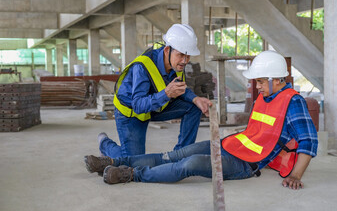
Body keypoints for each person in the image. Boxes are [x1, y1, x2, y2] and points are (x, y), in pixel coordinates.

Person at [85, 50, 318, 190]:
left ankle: (131, 174)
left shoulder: (293, 101)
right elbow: (255, 132)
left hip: (247, 165)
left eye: (259, 81)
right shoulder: (266, 95)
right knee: (176, 154)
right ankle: (113, 162)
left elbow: (308, 141)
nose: (256, 86)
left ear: (276, 79)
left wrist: (296, 175)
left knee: (190, 164)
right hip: (231, 146)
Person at [99, 24, 212, 158]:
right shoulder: (142, 67)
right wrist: (166, 94)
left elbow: (180, 88)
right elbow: (138, 105)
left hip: (155, 107)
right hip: (131, 113)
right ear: (167, 50)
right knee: (132, 163)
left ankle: (180, 156)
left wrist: (196, 99)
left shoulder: (176, 64)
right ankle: (104, 144)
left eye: (188, 56)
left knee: (193, 107)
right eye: (181, 55)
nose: (185, 61)